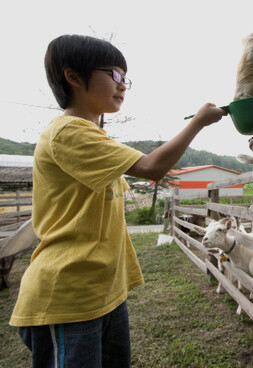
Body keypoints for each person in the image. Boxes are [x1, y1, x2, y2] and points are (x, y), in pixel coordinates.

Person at [9, 34, 226, 367]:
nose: (123, 85)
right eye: (114, 74)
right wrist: (198, 122)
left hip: (103, 293)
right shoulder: (67, 132)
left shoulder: (93, 137)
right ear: (74, 76)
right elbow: (152, 167)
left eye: (126, 78)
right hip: (68, 295)